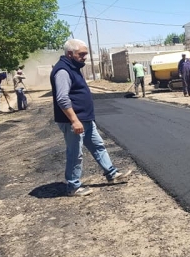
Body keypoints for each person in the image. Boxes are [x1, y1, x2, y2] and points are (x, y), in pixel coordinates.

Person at [51, 39, 132, 197]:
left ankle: (111, 173)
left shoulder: (73, 67)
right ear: (69, 54)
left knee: (98, 146)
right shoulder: (62, 71)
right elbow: (62, 98)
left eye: (86, 54)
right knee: (75, 153)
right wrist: (74, 120)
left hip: (85, 119)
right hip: (73, 121)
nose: (85, 57)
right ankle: (73, 186)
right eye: (81, 54)